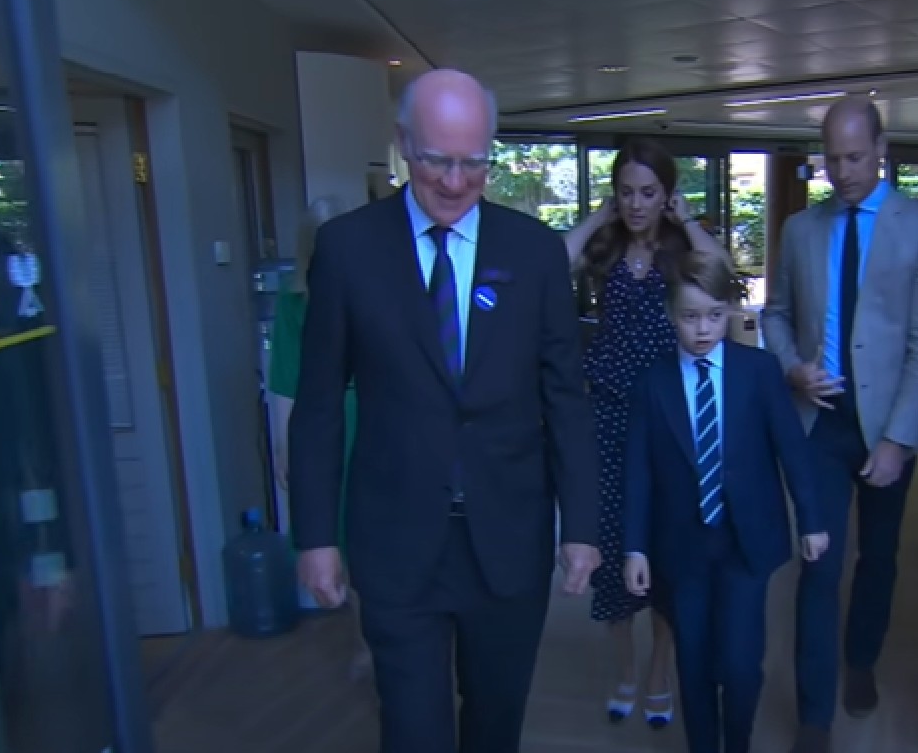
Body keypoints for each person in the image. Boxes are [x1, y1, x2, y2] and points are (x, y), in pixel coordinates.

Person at [288, 69, 601, 753]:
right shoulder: (347, 250)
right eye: (436, 160)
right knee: (413, 729)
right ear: (404, 145)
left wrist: (582, 525)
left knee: (495, 726)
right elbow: (315, 405)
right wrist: (314, 536)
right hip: (398, 541)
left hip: (509, 539)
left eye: (473, 162)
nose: (456, 182)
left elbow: (566, 399)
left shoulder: (535, 252)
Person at [761, 96, 918, 753]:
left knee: (878, 557)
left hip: (887, 428)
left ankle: (862, 660)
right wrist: (791, 367)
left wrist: (899, 441)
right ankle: (815, 719)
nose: (842, 171)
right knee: (817, 564)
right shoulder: (799, 230)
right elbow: (777, 314)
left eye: (853, 157)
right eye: (832, 158)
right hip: (819, 423)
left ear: (881, 150)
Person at [622, 251, 829, 753]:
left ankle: (737, 743)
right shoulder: (653, 383)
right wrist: (635, 548)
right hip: (683, 547)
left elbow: (792, 452)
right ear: (671, 313)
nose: (702, 329)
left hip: (746, 542)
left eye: (714, 315)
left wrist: (812, 520)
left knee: (739, 664)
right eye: (690, 316)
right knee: (693, 662)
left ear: (732, 312)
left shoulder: (758, 371)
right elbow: (639, 473)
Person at [562, 137, 728, 726]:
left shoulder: (681, 252)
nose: (636, 204)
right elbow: (558, 260)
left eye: (649, 193)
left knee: (663, 545)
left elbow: (723, 277)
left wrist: (686, 221)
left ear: (667, 194)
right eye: (626, 192)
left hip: (666, 416)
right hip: (606, 415)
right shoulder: (606, 247)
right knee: (611, 548)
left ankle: (661, 671)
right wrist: (596, 216)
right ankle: (626, 670)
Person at [266, 195, 372, 677]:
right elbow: (286, 382)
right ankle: (366, 639)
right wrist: (285, 449)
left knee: (380, 539)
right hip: (328, 429)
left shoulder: (381, 289)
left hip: (378, 424)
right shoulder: (294, 305)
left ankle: (385, 639)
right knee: (342, 542)